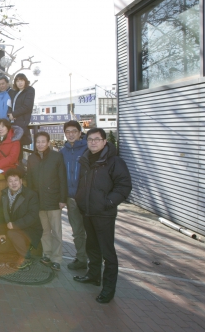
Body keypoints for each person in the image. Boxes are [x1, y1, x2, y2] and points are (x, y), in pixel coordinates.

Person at [73, 128, 132, 304]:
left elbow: (124, 186)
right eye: (90, 139)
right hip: (88, 212)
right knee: (92, 247)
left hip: (104, 214)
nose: (93, 142)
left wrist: (109, 203)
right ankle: (93, 276)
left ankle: (108, 289)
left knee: (108, 253)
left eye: (97, 139)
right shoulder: (85, 159)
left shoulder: (114, 161)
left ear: (105, 141)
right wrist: (80, 200)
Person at [27, 131, 67, 271]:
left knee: (56, 231)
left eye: (43, 141)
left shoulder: (57, 156)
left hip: (54, 200)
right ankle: (47, 254)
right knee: (44, 230)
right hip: (39, 201)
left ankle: (57, 259)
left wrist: (63, 199)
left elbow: (62, 178)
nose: (40, 144)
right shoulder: (31, 158)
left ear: (48, 142)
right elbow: (30, 180)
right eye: (38, 142)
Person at [0, 169, 42, 269]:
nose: (13, 183)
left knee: (11, 233)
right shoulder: (4, 195)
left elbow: (32, 216)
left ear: (21, 181)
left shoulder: (31, 195)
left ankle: (26, 258)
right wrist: (0, 233)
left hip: (30, 229)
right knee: (0, 247)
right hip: (12, 229)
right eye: (10, 181)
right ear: (7, 183)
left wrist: (14, 225)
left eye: (16, 180)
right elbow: (0, 216)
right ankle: (21, 248)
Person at [61, 120, 88, 270]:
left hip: (87, 198)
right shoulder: (62, 152)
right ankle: (81, 258)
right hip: (71, 199)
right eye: (68, 132)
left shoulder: (87, 149)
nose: (70, 134)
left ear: (79, 133)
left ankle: (95, 260)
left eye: (74, 131)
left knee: (91, 231)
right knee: (77, 231)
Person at [8, 73, 35, 148]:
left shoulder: (29, 90)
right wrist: (10, 114)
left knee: (18, 144)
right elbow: (10, 105)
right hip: (13, 122)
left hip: (22, 122)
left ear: (25, 81)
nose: (19, 83)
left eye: (21, 80)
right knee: (13, 145)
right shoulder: (15, 92)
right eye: (17, 81)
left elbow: (27, 106)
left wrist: (14, 114)